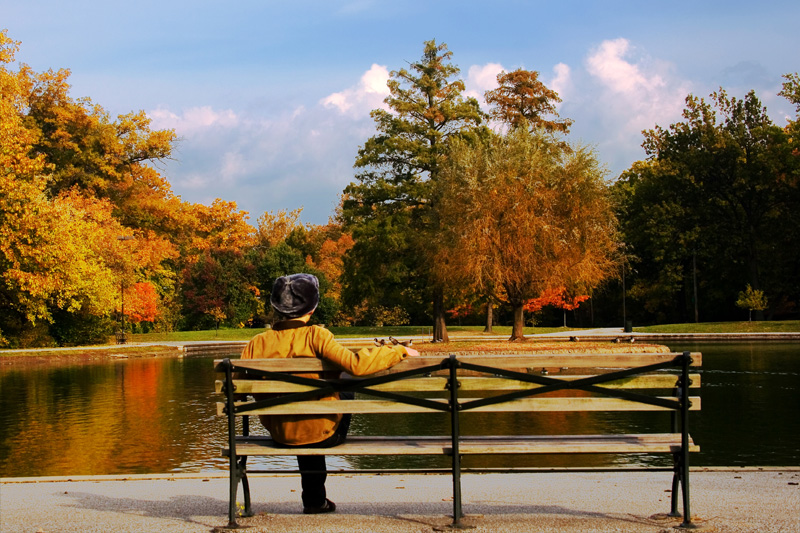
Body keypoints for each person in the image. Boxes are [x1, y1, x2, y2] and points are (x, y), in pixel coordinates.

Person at [240, 273, 419, 514]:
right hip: (323, 433)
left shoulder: (256, 343)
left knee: (304, 408)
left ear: (276, 307)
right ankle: (314, 500)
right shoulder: (317, 335)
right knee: (343, 386)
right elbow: (357, 365)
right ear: (311, 309)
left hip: (281, 432)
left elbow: (237, 387)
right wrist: (398, 350)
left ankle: (315, 500)